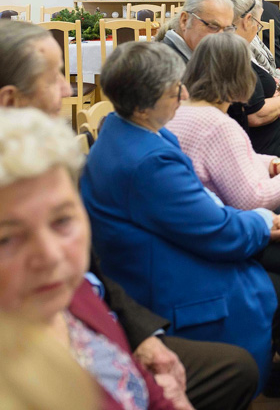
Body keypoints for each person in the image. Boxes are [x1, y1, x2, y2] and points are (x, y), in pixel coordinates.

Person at [0, 21, 259, 410]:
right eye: (53, 75)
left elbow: (92, 277)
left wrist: (143, 338)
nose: (70, 88)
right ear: (9, 100)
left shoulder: (62, 160)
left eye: (63, 221)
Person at [79, 42, 280, 389]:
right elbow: (217, 231)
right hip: (161, 282)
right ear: (147, 100)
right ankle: (276, 375)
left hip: (153, 256)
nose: (182, 93)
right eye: (174, 88)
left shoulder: (129, 129)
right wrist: (263, 221)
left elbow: (199, 202)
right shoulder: (149, 160)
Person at [0, 107, 175, 410]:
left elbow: (136, 378)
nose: (51, 256)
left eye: (62, 221)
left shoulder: (69, 292)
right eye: (7, 238)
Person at [166, 32, 280, 211]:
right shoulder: (218, 126)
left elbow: (235, 161)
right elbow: (255, 200)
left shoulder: (179, 110)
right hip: (231, 222)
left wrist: (277, 166)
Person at [225, 0, 280, 160]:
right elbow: (255, 115)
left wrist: (276, 94)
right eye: (257, 23)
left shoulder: (231, 47)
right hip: (266, 153)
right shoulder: (233, 55)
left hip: (267, 143)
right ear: (247, 20)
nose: (256, 29)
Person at [158, 0, 235, 61]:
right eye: (213, 27)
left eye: (227, 29)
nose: (221, 37)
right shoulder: (166, 65)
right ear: (184, 21)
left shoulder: (198, 56)